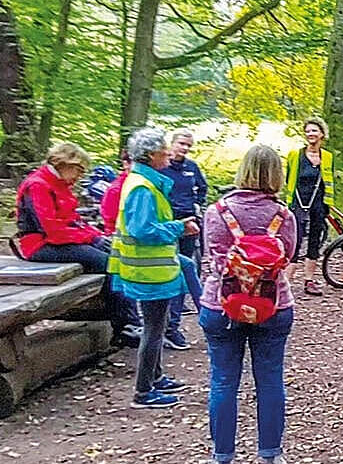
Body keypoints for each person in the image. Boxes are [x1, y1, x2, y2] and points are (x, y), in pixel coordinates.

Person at [201, 145, 298, 464]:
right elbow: (287, 258)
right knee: (270, 380)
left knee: (224, 380)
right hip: (272, 305)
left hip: (222, 305)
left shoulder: (217, 212)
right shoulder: (283, 216)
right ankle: (270, 457)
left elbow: (213, 260)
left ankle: (223, 462)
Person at [109, 128, 200, 409]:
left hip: (151, 269)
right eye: (163, 151)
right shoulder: (141, 188)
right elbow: (141, 230)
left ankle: (156, 376)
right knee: (153, 329)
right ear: (150, 156)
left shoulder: (144, 182)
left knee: (156, 327)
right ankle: (144, 390)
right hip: (147, 271)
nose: (168, 155)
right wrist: (179, 227)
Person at [15, 142, 138, 346]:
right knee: (108, 263)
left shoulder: (60, 184)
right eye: (78, 170)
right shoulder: (37, 185)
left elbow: (73, 220)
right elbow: (51, 230)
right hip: (39, 245)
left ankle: (129, 320)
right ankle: (125, 325)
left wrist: (98, 236)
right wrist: (90, 239)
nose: (79, 177)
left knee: (115, 254)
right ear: (64, 163)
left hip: (60, 240)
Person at [163, 129, 209, 350]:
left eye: (188, 145)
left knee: (185, 271)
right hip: (169, 225)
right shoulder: (161, 167)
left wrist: (197, 204)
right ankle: (169, 326)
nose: (184, 148)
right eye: (181, 143)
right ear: (171, 143)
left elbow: (202, 187)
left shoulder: (191, 167)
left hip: (189, 223)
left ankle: (174, 323)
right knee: (174, 271)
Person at [285, 117, 335, 296]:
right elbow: (289, 179)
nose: (310, 134)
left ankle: (309, 280)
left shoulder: (327, 157)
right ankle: (286, 281)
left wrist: (328, 204)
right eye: (307, 131)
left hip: (319, 203)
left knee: (315, 240)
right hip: (299, 202)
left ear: (322, 134)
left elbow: (329, 183)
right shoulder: (295, 155)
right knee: (295, 240)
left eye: (314, 131)